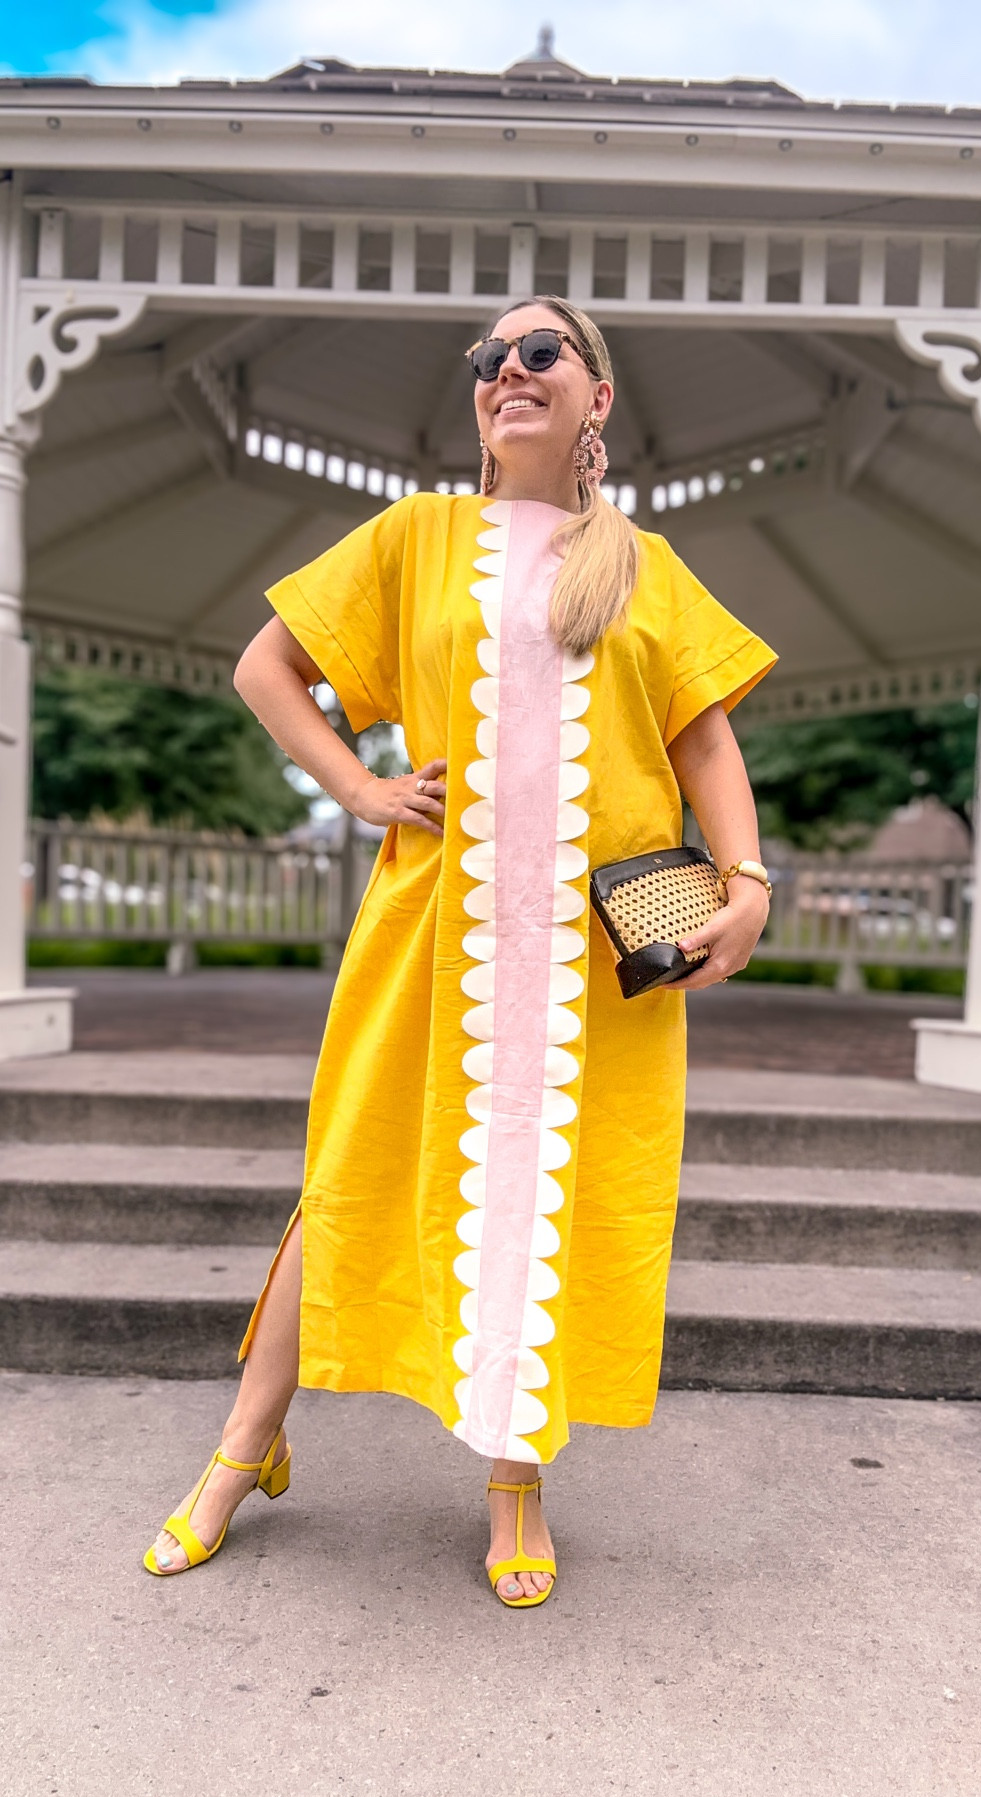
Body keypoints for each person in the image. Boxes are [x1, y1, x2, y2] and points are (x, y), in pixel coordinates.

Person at [144, 296, 777, 1607]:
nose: (508, 371)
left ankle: (515, 1478)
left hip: (592, 972)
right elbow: (270, 669)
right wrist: (363, 791)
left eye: (540, 350)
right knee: (350, 1181)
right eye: (489, 359)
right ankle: (242, 1451)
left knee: (546, 1204)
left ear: (597, 394)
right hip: (436, 940)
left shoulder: (642, 566)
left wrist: (752, 879)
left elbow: (706, 741)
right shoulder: (416, 538)